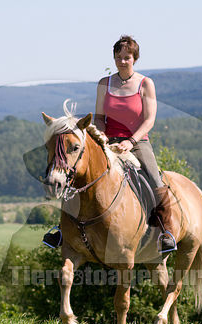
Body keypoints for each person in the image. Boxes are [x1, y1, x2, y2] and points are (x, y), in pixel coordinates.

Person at [43, 35, 176, 253]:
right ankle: (62, 229)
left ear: (135, 59)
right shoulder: (105, 83)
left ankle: (166, 231)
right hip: (107, 140)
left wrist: (130, 141)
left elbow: (149, 119)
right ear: (114, 58)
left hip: (137, 141)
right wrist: (101, 136)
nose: (122, 61)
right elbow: (98, 117)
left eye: (127, 57)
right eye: (119, 57)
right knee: (76, 173)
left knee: (155, 178)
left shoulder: (145, 84)